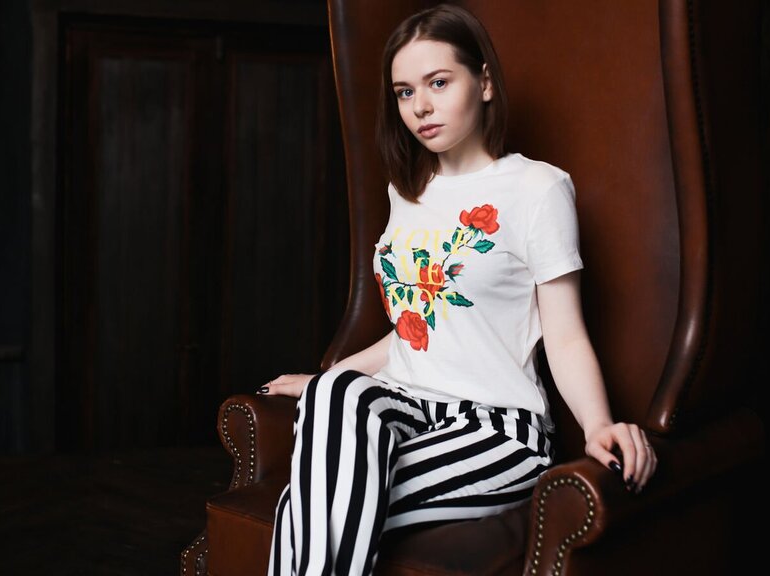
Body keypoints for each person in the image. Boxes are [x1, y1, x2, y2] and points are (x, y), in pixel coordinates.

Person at [257, 4, 657, 575]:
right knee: (334, 397)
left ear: (484, 82)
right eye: (404, 92)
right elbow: (417, 329)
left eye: (438, 83)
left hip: (496, 430)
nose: (420, 106)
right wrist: (326, 384)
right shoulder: (406, 191)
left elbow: (565, 335)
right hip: (406, 407)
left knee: (311, 504)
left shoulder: (537, 189)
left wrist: (598, 425)